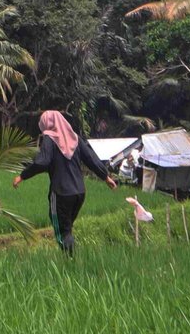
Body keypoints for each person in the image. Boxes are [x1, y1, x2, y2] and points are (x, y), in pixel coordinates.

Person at [12, 109, 117, 255]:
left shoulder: (50, 139)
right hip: (79, 193)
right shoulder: (75, 138)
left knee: (62, 231)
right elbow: (91, 159)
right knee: (67, 228)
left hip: (61, 193)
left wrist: (22, 176)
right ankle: (69, 257)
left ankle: (70, 260)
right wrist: (106, 177)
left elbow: (42, 162)